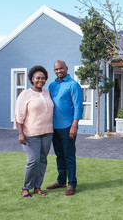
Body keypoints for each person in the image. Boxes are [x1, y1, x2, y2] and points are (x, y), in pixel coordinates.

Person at [15, 65, 54, 198]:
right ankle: (26, 188)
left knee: (42, 160)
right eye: (38, 78)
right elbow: (19, 115)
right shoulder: (25, 94)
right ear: (32, 79)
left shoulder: (47, 93)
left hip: (48, 132)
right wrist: (21, 133)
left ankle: (37, 187)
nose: (41, 80)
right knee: (33, 160)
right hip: (31, 134)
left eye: (43, 78)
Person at [46, 60, 83, 196]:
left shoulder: (73, 85)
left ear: (66, 68)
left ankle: (72, 184)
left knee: (69, 156)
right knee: (59, 155)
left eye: (61, 68)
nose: (59, 71)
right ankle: (61, 180)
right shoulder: (52, 85)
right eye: (56, 69)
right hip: (54, 127)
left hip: (68, 127)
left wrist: (74, 126)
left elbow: (79, 107)